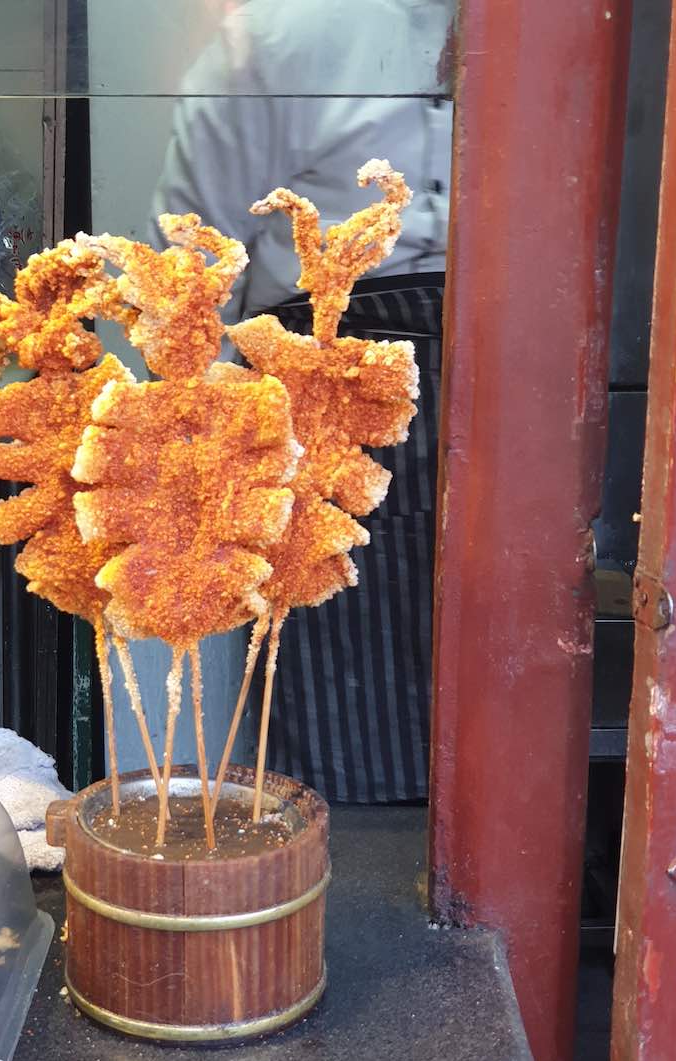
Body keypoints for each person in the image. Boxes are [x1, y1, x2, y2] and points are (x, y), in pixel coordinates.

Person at [150, 0, 452, 803]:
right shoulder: (283, 31)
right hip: (323, 381)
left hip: (527, 371)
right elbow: (193, 260)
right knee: (339, 683)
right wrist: (195, 447)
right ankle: (342, 868)